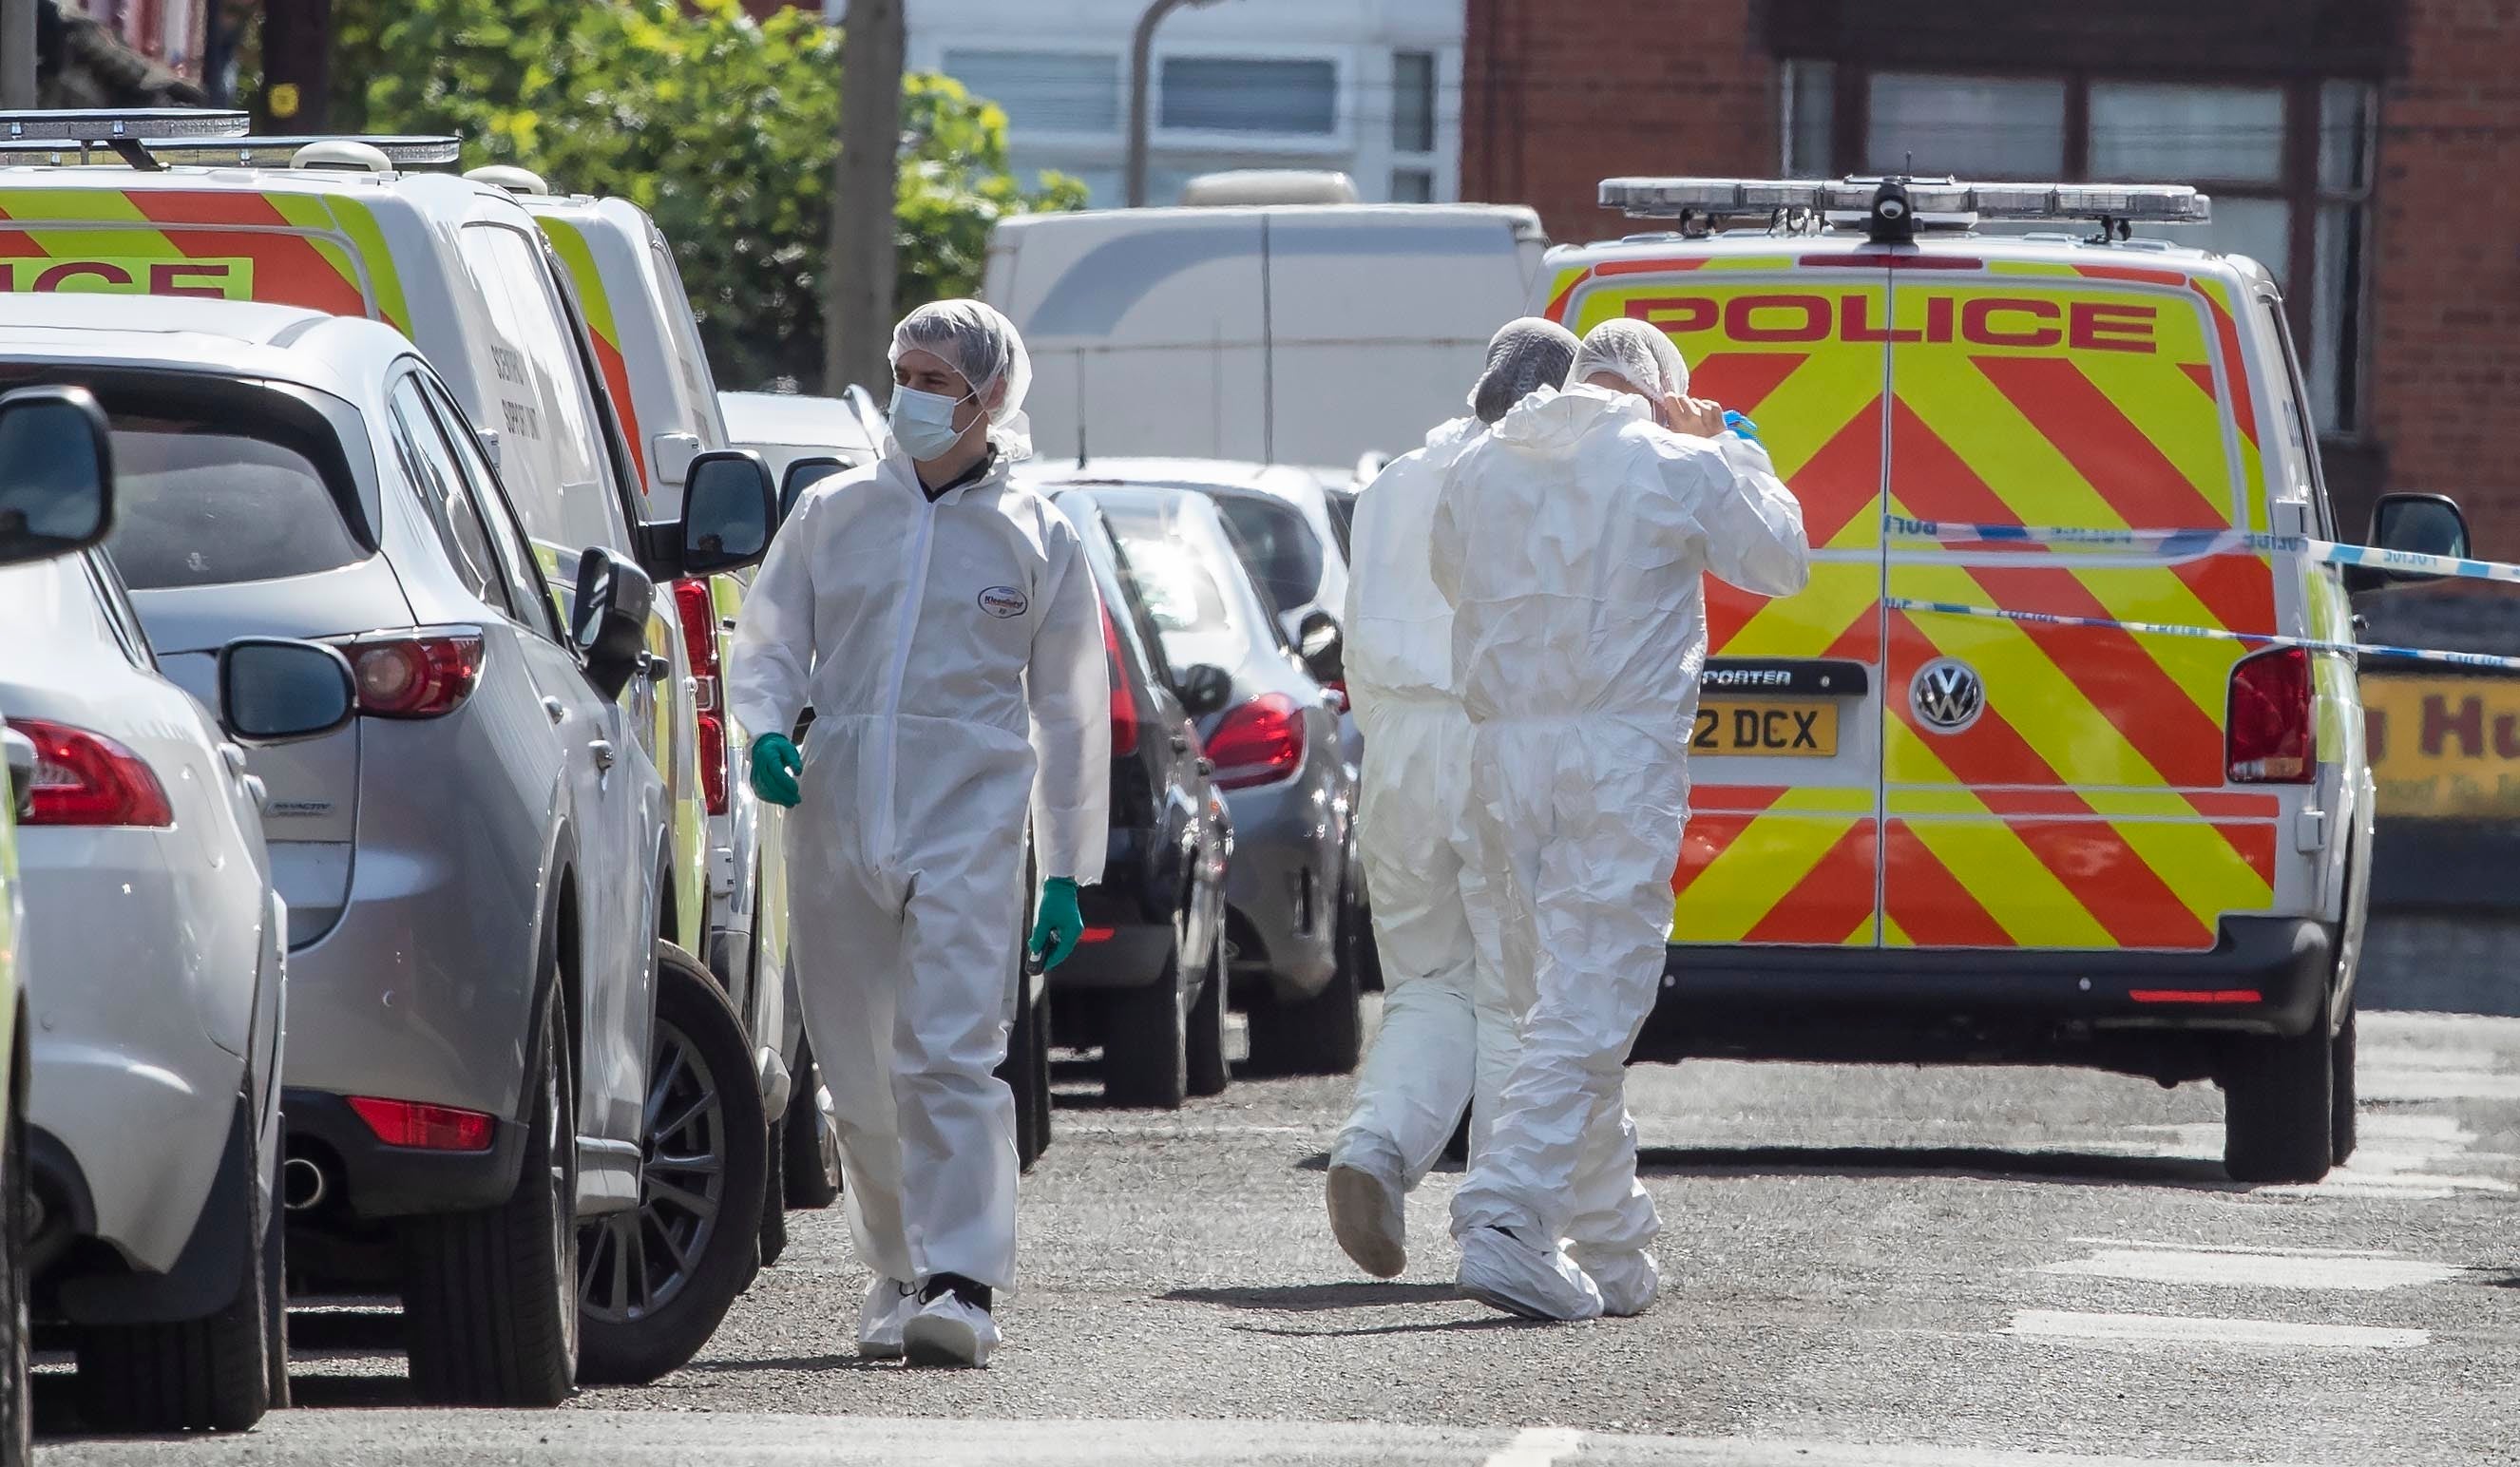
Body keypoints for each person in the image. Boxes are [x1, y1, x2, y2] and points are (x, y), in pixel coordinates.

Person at [725, 299, 1109, 1368]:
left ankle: (965, 1279)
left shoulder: (1038, 533)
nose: (915, 394)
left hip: (973, 811)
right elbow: (767, 642)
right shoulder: (836, 512)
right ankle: (898, 1264)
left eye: (937, 378)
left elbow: (1073, 711)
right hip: (837, 803)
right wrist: (766, 732)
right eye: (904, 371)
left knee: (949, 1049)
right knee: (853, 1066)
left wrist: (1069, 872)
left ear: (992, 395)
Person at [1431, 316, 1809, 1322]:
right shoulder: (1669, 457)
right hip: (1615, 753)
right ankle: (1507, 1215)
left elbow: (1451, 580)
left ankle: (1615, 1246)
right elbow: (1781, 558)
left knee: (1556, 1003)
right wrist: (1724, 445)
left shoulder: (1482, 461)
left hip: (1505, 751)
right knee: (1591, 1001)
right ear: (1660, 387)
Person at [1325, 318, 1579, 1280]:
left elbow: (1354, 635)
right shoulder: (1547, 478)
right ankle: (1508, 1219)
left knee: (1429, 984)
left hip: (1398, 749)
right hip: (1497, 741)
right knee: (1523, 996)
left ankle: (1376, 1149)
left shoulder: (1392, 481)